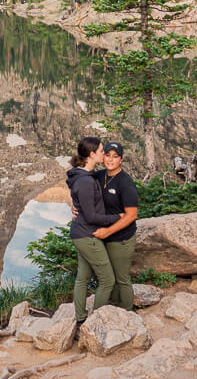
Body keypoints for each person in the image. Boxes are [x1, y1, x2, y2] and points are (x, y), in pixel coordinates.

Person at [66, 136, 122, 325]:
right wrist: (118, 217)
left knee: (82, 278)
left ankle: (81, 319)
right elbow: (91, 216)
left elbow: (79, 199)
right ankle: (95, 323)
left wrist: (74, 204)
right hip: (87, 234)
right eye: (101, 151)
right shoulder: (86, 181)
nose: (104, 154)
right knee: (107, 280)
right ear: (91, 154)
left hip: (80, 232)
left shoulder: (82, 175)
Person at [93, 142, 138, 310]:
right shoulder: (99, 176)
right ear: (103, 156)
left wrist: (108, 231)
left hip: (121, 238)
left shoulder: (125, 183)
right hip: (104, 236)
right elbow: (81, 189)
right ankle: (112, 309)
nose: (110, 159)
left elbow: (132, 215)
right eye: (107, 155)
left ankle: (127, 313)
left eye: (115, 156)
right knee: (107, 278)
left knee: (121, 279)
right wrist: (75, 205)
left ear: (121, 160)